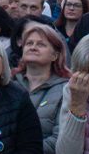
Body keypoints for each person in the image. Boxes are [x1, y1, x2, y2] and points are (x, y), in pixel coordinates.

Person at [14, 23, 69, 153]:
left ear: (54, 55)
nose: (33, 47)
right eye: (29, 43)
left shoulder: (66, 90)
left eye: (41, 44)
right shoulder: (8, 83)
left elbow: (59, 139)